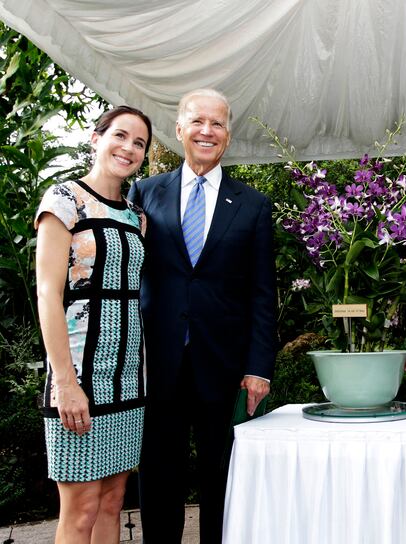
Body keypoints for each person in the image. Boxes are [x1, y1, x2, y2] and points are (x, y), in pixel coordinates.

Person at [128, 88, 277, 542]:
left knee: (223, 479)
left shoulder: (252, 205)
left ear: (228, 136)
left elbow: (262, 293)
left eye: (217, 124)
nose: (206, 131)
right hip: (158, 364)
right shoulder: (143, 193)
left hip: (225, 367)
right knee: (159, 477)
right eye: (197, 121)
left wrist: (258, 368)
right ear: (179, 130)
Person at [35, 105, 152, 543]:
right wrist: (64, 381)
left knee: (112, 503)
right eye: (120, 136)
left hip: (128, 378)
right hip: (79, 374)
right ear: (96, 138)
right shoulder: (64, 199)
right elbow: (48, 293)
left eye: (139, 143)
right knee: (80, 508)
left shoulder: (136, 216)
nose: (128, 148)